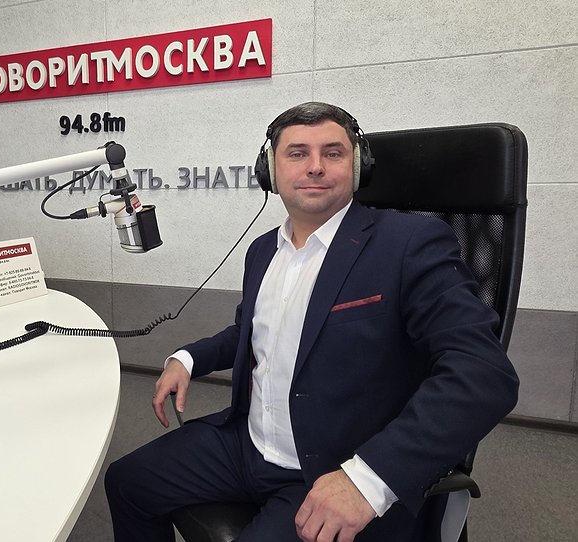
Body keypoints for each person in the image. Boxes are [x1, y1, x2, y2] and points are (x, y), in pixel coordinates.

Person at [104, 102, 519, 542]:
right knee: (128, 482)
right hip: (247, 444)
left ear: (358, 167)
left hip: (333, 466)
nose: (315, 166)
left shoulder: (409, 244)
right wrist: (187, 359)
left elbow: (483, 373)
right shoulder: (263, 250)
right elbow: (252, 332)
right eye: (297, 153)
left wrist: (366, 479)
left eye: (333, 153)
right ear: (270, 170)